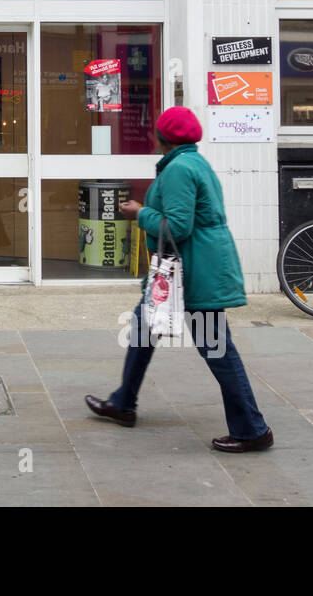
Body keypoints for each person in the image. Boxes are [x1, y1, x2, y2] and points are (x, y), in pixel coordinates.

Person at [84, 106, 274, 453]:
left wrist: (140, 213)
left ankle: (252, 429)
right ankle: (123, 404)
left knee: (218, 350)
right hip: (189, 269)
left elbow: (178, 227)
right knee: (142, 330)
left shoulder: (180, 170)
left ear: (163, 138)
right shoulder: (194, 162)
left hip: (195, 274)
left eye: (154, 132)